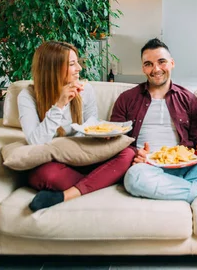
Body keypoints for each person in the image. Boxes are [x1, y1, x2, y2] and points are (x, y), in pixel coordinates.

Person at [114, 38, 197, 203]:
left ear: (172, 63)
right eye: (148, 64)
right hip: (148, 167)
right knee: (133, 178)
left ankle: (174, 188)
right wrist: (135, 153)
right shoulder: (126, 99)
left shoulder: (187, 98)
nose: (156, 69)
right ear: (143, 68)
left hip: (188, 166)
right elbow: (116, 139)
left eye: (162, 62)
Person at [18, 41, 135, 211]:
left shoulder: (85, 90)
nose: (79, 68)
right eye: (72, 64)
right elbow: (35, 143)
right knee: (44, 175)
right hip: (54, 160)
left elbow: (91, 126)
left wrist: (102, 134)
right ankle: (101, 180)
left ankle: (67, 194)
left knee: (128, 153)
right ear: (53, 68)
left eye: (77, 62)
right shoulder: (27, 96)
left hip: (82, 156)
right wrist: (60, 104)